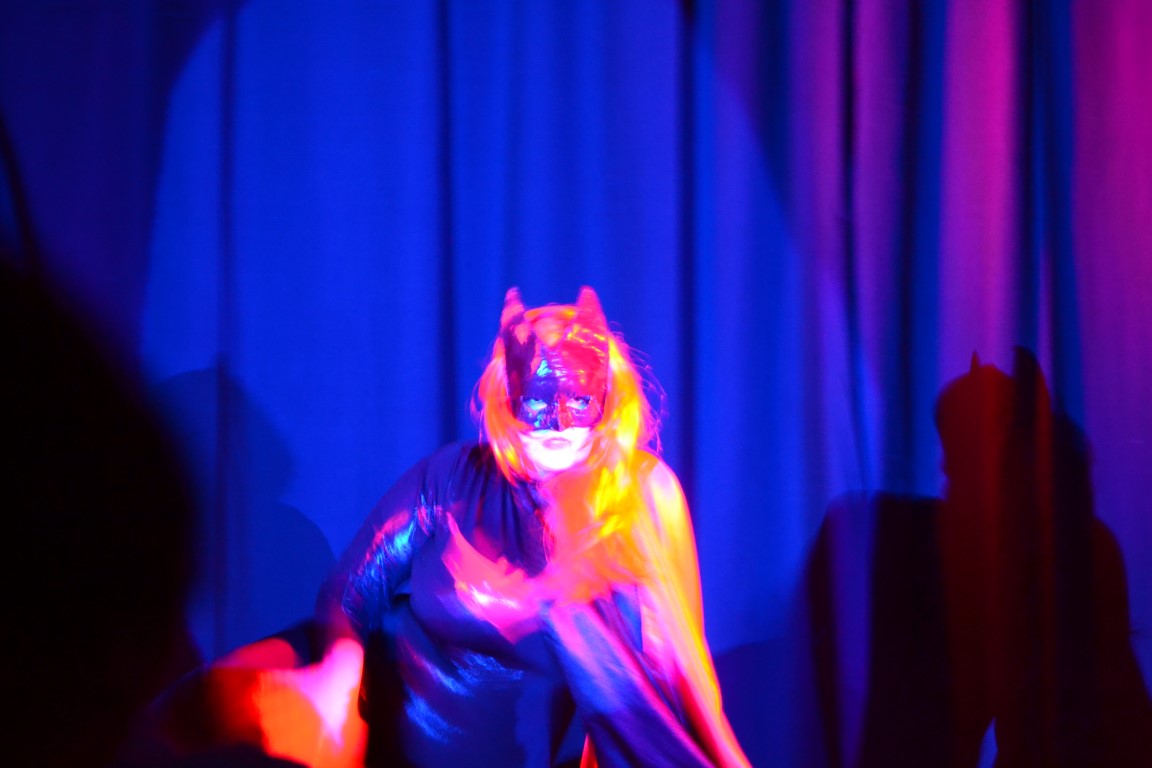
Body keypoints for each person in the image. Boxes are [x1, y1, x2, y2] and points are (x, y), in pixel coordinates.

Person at [259, 286, 749, 768]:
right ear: (508, 395)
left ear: (606, 394)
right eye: (539, 402)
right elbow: (349, 594)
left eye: (579, 400)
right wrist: (339, 683)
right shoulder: (451, 479)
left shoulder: (639, 496)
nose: (559, 424)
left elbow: (681, 668)